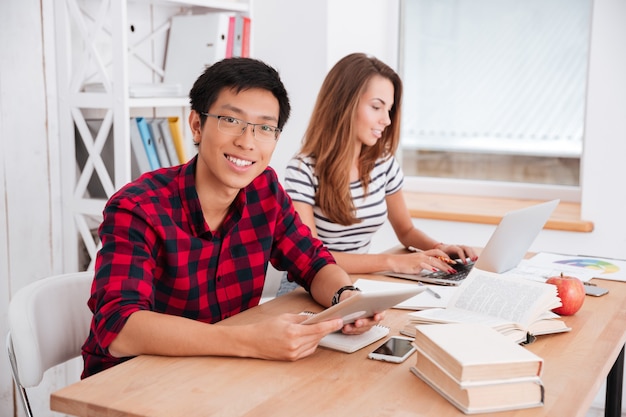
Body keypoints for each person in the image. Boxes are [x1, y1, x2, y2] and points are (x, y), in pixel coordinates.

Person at [81, 57, 382, 379]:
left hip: (221, 373)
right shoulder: (138, 207)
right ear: (197, 124)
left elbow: (313, 262)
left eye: (265, 128)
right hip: (135, 383)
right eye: (230, 120)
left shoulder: (264, 189)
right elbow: (119, 328)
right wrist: (251, 340)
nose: (247, 142)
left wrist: (346, 299)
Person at [278, 53, 477, 295]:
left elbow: (406, 231)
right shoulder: (303, 170)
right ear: (343, 103)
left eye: (389, 109)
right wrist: (392, 262)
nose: (386, 120)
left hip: (358, 282)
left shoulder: (383, 164)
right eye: (376, 107)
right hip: (309, 287)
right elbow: (310, 256)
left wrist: (441, 249)